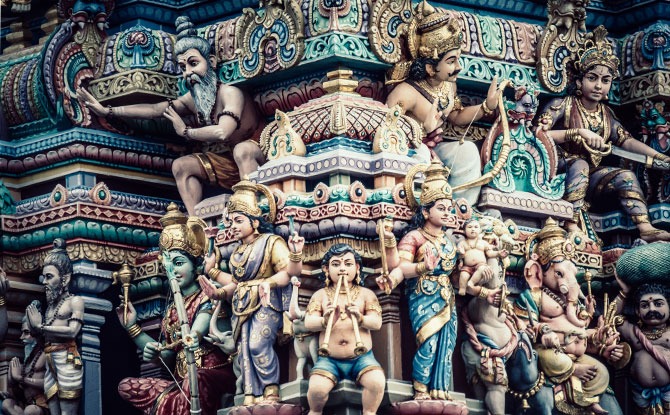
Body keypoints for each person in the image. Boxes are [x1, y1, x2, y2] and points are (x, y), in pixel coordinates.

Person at [77, 16, 265, 215]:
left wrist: (186, 132)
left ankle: (251, 211)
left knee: (242, 151)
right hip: (227, 161)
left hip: (256, 155)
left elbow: (222, 132)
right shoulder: (193, 100)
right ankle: (196, 226)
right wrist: (109, 111)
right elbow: (155, 110)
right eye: (183, 67)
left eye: (193, 63)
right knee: (181, 166)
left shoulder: (230, 93)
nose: (188, 73)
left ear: (211, 61)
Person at [376, 161, 499, 400]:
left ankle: (439, 390)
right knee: (428, 344)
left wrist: (485, 293)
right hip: (423, 296)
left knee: (446, 346)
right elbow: (400, 267)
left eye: (449, 208)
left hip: (447, 298)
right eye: (441, 208)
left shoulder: (450, 242)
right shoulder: (414, 237)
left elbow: (457, 279)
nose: (446, 213)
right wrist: (416, 269)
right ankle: (421, 389)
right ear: (425, 211)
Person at [536, 26, 670, 242]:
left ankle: (645, 227)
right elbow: (538, 135)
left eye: (605, 80)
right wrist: (576, 132)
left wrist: (659, 157)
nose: (598, 85)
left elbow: (627, 141)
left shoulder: (606, 114)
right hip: (560, 171)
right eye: (592, 78)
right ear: (579, 81)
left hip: (591, 176)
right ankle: (571, 222)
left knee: (625, 176)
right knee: (579, 164)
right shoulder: (563, 105)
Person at [116, 203, 234, 415]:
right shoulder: (172, 308)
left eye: (178, 263)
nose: (173, 271)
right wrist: (133, 329)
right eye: (167, 266)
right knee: (127, 386)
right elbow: (168, 356)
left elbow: (196, 332)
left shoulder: (208, 294)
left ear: (195, 264)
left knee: (195, 379)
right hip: (183, 382)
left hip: (211, 374)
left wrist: (190, 335)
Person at [198, 179, 304, 405]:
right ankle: (250, 393)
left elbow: (289, 272)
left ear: (254, 222)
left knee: (258, 344)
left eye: (238, 220)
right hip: (242, 304)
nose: (233, 226)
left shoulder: (271, 242)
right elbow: (236, 283)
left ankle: (271, 388)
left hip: (267, 301)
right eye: (230, 222)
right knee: (244, 349)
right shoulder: (237, 251)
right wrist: (214, 277)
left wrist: (291, 259)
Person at [385, 2, 501, 205]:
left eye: (458, 59)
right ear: (430, 68)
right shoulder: (407, 93)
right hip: (412, 152)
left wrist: (486, 106)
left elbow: (456, 116)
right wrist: (421, 132)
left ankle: (459, 208)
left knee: (467, 152)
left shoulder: (448, 87)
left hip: (437, 151)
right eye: (451, 61)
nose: (458, 67)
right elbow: (388, 128)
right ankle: (423, 208)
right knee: (421, 154)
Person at [515, 218, 623, 415]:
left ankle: (587, 398)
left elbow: (579, 330)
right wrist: (544, 330)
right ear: (538, 272)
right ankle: (572, 373)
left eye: (571, 274)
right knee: (559, 361)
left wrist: (599, 340)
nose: (568, 281)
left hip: (577, 354)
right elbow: (521, 325)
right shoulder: (534, 296)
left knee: (601, 372)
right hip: (550, 352)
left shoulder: (572, 300)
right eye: (558, 273)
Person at [304, 243, 385, 415]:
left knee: (376, 383)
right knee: (317, 390)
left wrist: (361, 318)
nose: (342, 269)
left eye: (348, 264)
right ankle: (315, 412)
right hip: (329, 359)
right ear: (326, 269)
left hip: (361, 357)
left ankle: (369, 412)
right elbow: (309, 322)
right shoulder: (320, 295)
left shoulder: (365, 294)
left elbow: (377, 322)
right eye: (336, 264)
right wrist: (325, 321)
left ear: (357, 267)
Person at [25, 239, 84, 415]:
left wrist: (40, 327)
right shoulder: (50, 307)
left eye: (49, 277)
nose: (44, 282)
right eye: (44, 277)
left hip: (67, 361)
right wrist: (34, 328)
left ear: (65, 279)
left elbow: (73, 330)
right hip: (50, 361)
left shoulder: (75, 301)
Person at [612, 275, 670, 414]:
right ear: (637, 311)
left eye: (658, 304)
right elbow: (611, 318)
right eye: (644, 305)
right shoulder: (633, 332)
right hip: (639, 392)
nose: (651, 309)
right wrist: (624, 292)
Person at [2, 301, 48, 415]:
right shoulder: (28, 361)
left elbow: (51, 384)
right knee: (7, 403)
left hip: (42, 405)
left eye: (26, 333)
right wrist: (12, 383)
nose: (22, 337)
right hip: (27, 404)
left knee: (30, 411)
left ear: (38, 334)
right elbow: (21, 391)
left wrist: (20, 379)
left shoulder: (47, 354)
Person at [456, 218, 507, 296]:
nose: (473, 229)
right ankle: (462, 289)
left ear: (480, 230)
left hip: (480, 265)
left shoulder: (483, 243)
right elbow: (460, 254)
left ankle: (471, 283)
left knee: (482, 269)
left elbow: (489, 253)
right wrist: (461, 254)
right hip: (467, 266)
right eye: (469, 227)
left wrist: (498, 253)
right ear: (464, 230)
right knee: (463, 275)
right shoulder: (462, 243)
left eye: (476, 227)